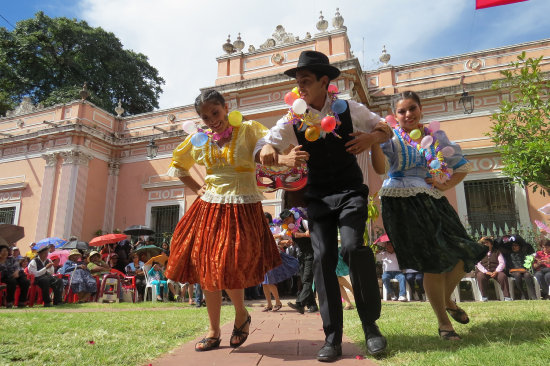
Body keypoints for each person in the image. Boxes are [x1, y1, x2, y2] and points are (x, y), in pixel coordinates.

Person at [256, 50, 392, 360]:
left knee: (354, 248)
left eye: (305, 81)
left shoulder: (349, 109)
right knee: (322, 257)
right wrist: (268, 151)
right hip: (317, 198)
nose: (300, 87)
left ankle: (371, 327)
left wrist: (371, 139)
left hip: (350, 192)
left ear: (324, 81)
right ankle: (333, 337)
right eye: (298, 82)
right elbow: (267, 142)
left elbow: (384, 127)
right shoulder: (294, 118)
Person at [165, 89, 281, 352]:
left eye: (215, 113)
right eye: (205, 117)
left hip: (242, 205)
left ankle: (241, 314)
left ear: (226, 107)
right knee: (207, 267)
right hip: (210, 207)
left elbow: (268, 143)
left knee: (228, 262)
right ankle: (214, 329)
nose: (211, 120)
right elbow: (178, 164)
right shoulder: (199, 139)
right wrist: (196, 188)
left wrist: (272, 148)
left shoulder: (249, 129)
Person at [370, 90, 488, 340]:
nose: (408, 114)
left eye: (412, 108)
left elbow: (461, 166)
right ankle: (444, 324)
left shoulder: (435, 136)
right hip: (401, 203)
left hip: (432, 200)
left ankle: (446, 300)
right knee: (433, 262)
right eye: (402, 111)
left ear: (421, 109)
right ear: (395, 114)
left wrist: (445, 185)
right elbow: (380, 169)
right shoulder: (390, 137)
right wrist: (374, 141)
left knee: (467, 251)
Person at [279, 208, 318, 314]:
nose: (286, 222)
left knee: (306, 279)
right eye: (285, 221)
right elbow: (282, 236)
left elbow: (311, 233)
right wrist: (290, 241)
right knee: (304, 279)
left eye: (287, 219)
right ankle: (312, 305)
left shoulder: (304, 222)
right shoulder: (289, 228)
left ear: (292, 216)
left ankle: (300, 303)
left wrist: (300, 235)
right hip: (301, 255)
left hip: (311, 253)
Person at [262, 212, 300, 312]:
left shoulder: (273, 228)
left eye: (265, 218)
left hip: (271, 256)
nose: (263, 220)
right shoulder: (259, 228)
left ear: (268, 219)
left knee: (269, 281)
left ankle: (278, 302)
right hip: (262, 257)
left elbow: (280, 239)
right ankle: (269, 304)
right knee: (264, 283)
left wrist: (280, 240)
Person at [475, 237, 512, 302]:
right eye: (484, 243)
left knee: (502, 276)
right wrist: (486, 272)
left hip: (496, 271)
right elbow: (478, 264)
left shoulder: (497, 252)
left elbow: (502, 263)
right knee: (480, 276)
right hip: (484, 271)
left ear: (491, 245)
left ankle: (507, 297)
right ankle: (484, 297)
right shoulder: (479, 253)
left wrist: (496, 271)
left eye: (487, 243)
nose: (485, 244)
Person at [0, 244, 30, 308]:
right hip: (5, 277)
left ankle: (21, 301)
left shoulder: (11, 259)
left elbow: (17, 266)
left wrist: (16, 272)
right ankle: (9, 302)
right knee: (12, 282)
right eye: (3, 251)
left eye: (6, 251)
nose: (5, 252)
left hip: (16, 274)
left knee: (26, 282)